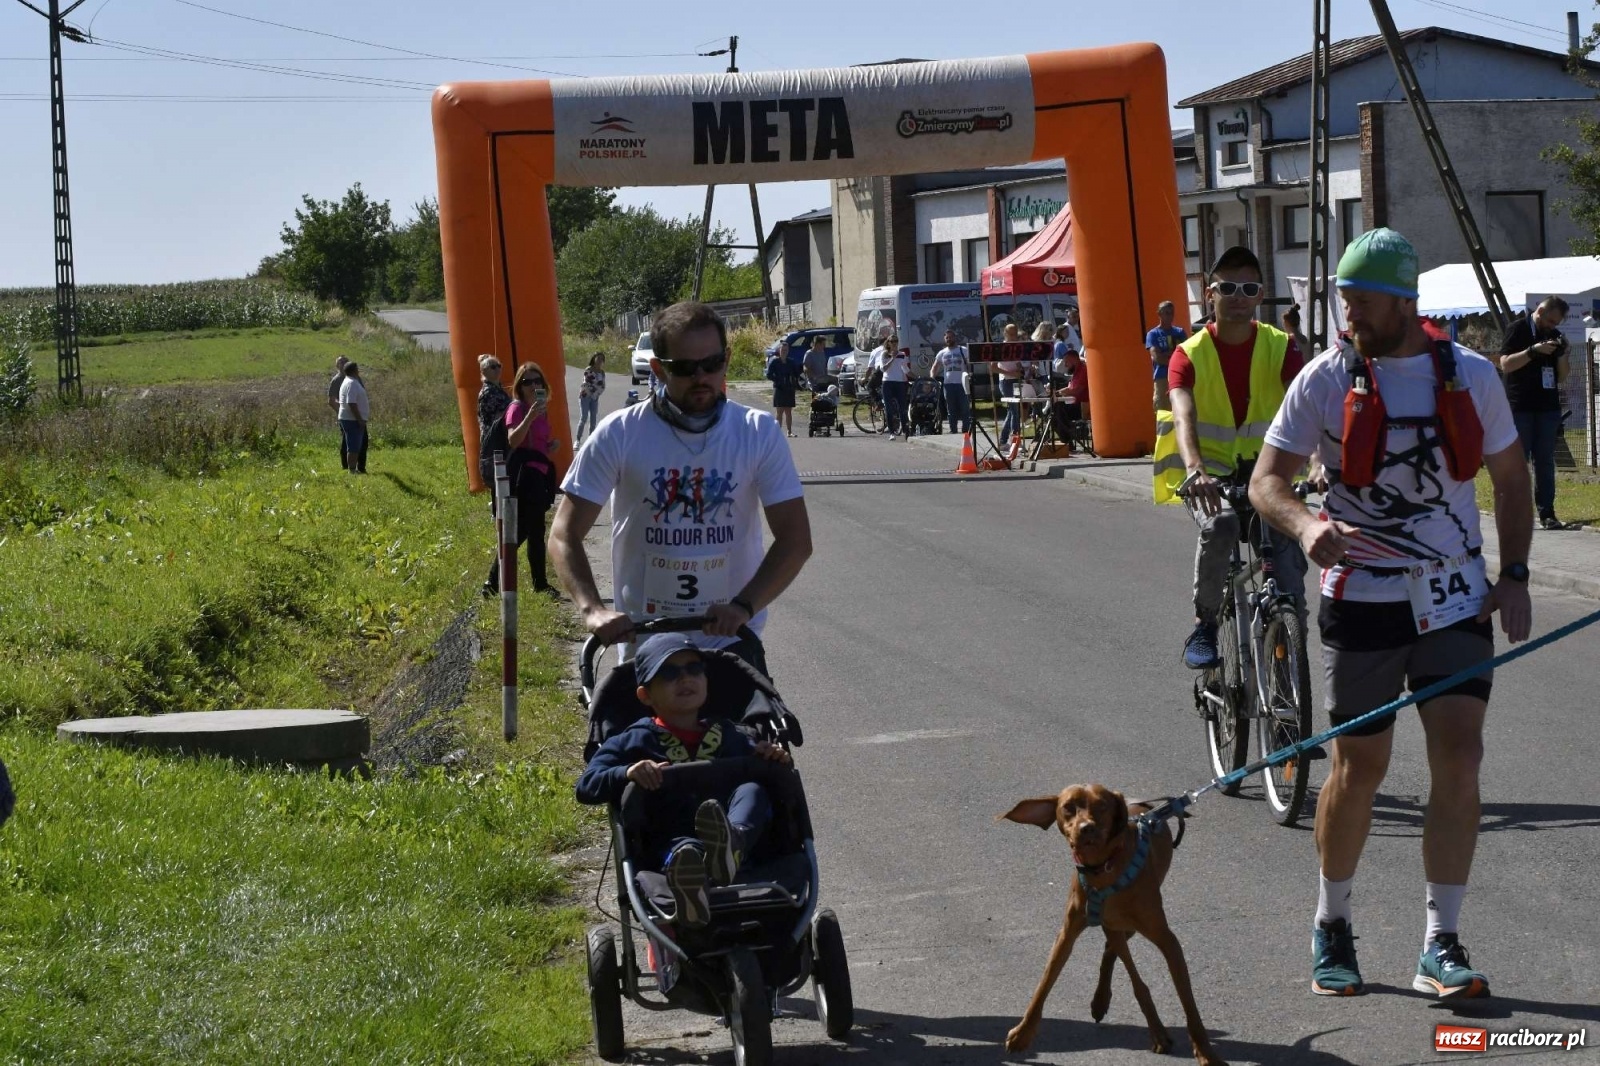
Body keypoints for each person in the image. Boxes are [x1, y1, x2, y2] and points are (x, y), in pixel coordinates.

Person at [1248, 227, 1531, 1001]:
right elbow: (1267, 481)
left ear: (1405, 301)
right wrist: (1306, 526)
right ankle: (1332, 923)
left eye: (1363, 301)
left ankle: (1441, 942)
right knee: (1360, 767)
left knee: (1460, 758)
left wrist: (1514, 574)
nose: (1351, 314)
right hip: (1363, 600)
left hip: (1454, 598)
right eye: (1345, 300)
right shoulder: (1323, 379)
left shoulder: (1471, 375)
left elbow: (1512, 481)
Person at [549, 301, 812, 678]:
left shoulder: (757, 432)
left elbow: (796, 540)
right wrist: (593, 609)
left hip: (732, 642)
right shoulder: (619, 434)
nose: (701, 377)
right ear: (658, 369)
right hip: (649, 645)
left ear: (727, 359)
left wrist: (744, 606)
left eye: (713, 363)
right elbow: (564, 534)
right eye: (685, 368)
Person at [1152, 246, 1307, 669]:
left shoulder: (1281, 347)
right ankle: (1204, 624)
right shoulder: (1189, 353)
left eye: (1249, 288)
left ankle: (1288, 655)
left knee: (1286, 566)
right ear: (1210, 294)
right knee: (1220, 524)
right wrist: (1196, 469)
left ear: (1261, 296)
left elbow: (1307, 407)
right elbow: (1183, 414)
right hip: (1212, 476)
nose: (1239, 296)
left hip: (1267, 473)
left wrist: (1324, 461)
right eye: (1228, 288)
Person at [576, 633, 793, 932]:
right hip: (673, 835)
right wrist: (627, 772)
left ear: (706, 681)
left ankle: (732, 846)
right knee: (683, 849)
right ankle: (695, 880)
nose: (685, 678)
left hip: (736, 831)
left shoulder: (731, 734)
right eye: (669, 673)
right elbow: (586, 785)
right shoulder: (633, 740)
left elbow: (767, 765)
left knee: (752, 790)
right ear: (645, 695)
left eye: (694, 669)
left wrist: (772, 756)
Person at [1494, 296, 1571, 530]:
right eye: (1550, 320)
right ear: (1540, 311)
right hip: (1520, 407)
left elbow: (1562, 377)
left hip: (1547, 408)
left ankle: (1547, 514)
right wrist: (1532, 351)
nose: (1551, 326)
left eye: (1556, 323)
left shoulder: (1554, 335)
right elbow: (1505, 364)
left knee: (1545, 462)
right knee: (1518, 463)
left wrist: (1562, 354)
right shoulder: (1517, 329)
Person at [485, 363, 560, 596]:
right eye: (527, 382)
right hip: (524, 476)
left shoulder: (542, 409)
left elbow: (536, 442)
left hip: (539, 474)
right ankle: (528, 584)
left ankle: (497, 584)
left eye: (537, 381)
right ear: (519, 386)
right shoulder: (516, 408)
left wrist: (549, 446)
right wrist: (529, 416)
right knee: (524, 532)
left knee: (529, 531)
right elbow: (514, 440)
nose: (533, 386)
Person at [1146, 300, 1187, 412]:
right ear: (1159, 314)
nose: (1170, 316)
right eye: (1167, 313)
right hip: (1162, 377)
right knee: (1163, 411)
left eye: (1172, 313)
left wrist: (1166, 354)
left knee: (1181, 408)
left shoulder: (1180, 332)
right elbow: (1157, 358)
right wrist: (1174, 357)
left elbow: (1186, 355)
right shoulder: (1153, 334)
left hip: (1180, 376)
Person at [930, 329, 971, 434]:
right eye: (947, 338)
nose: (949, 339)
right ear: (944, 339)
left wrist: (970, 375)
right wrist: (932, 379)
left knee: (965, 409)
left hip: (962, 384)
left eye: (951, 337)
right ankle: (953, 431)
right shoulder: (942, 353)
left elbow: (970, 365)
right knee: (951, 410)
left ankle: (966, 430)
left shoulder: (963, 350)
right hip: (948, 385)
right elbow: (934, 367)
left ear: (954, 338)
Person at [1049, 346, 1090, 443]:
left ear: (1074, 360)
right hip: (1075, 404)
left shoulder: (1083, 371)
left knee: (1058, 409)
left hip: (1082, 406)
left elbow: (1077, 391)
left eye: (1066, 362)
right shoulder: (1076, 372)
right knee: (1052, 414)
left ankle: (1067, 438)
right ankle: (1067, 439)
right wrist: (1056, 392)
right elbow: (1069, 388)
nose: (1065, 365)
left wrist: (1060, 392)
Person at [876, 334, 911, 440]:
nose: (894, 343)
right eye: (892, 341)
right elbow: (883, 369)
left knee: (902, 408)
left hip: (900, 382)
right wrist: (892, 358)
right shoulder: (884, 354)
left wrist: (916, 377)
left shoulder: (902, 354)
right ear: (889, 343)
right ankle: (891, 432)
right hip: (888, 382)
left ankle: (904, 429)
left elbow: (906, 369)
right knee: (889, 408)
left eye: (896, 341)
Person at [337, 362, 369, 475]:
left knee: (353, 444)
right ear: (355, 370)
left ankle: (352, 469)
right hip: (352, 419)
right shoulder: (352, 383)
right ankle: (352, 470)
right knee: (353, 445)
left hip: (349, 418)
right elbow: (351, 403)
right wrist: (359, 419)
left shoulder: (348, 381)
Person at [996, 322, 1025, 447]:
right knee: (1014, 410)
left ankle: (1003, 440)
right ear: (1005, 334)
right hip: (1006, 381)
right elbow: (993, 367)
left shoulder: (1016, 347)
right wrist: (1010, 373)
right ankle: (1015, 438)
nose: (1013, 337)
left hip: (1015, 381)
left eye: (1015, 334)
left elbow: (1017, 363)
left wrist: (1021, 369)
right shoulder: (1000, 348)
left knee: (1012, 410)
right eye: (1011, 334)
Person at [766, 340, 799, 437]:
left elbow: (796, 374)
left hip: (789, 388)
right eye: (782, 350)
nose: (784, 352)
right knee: (779, 411)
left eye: (786, 350)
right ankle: (778, 432)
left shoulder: (791, 362)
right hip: (779, 388)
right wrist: (777, 380)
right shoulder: (775, 362)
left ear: (788, 351)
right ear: (779, 350)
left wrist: (794, 381)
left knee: (788, 411)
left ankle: (789, 431)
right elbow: (769, 375)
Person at [327, 356, 351, 470]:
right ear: (337, 366)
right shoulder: (337, 380)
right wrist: (341, 412)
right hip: (345, 416)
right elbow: (331, 401)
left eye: (346, 361)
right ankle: (345, 466)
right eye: (341, 362)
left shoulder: (353, 378)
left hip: (355, 414)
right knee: (346, 439)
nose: (344, 363)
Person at [577, 351, 607, 441]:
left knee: (593, 420)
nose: (599, 361)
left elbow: (603, 386)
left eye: (601, 359)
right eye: (598, 358)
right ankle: (578, 439)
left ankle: (591, 440)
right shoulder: (588, 369)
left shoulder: (602, 373)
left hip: (595, 398)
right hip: (585, 396)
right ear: (594, 359)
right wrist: (594, 390)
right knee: (584, 418)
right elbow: (587, 383)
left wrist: (596, 394)